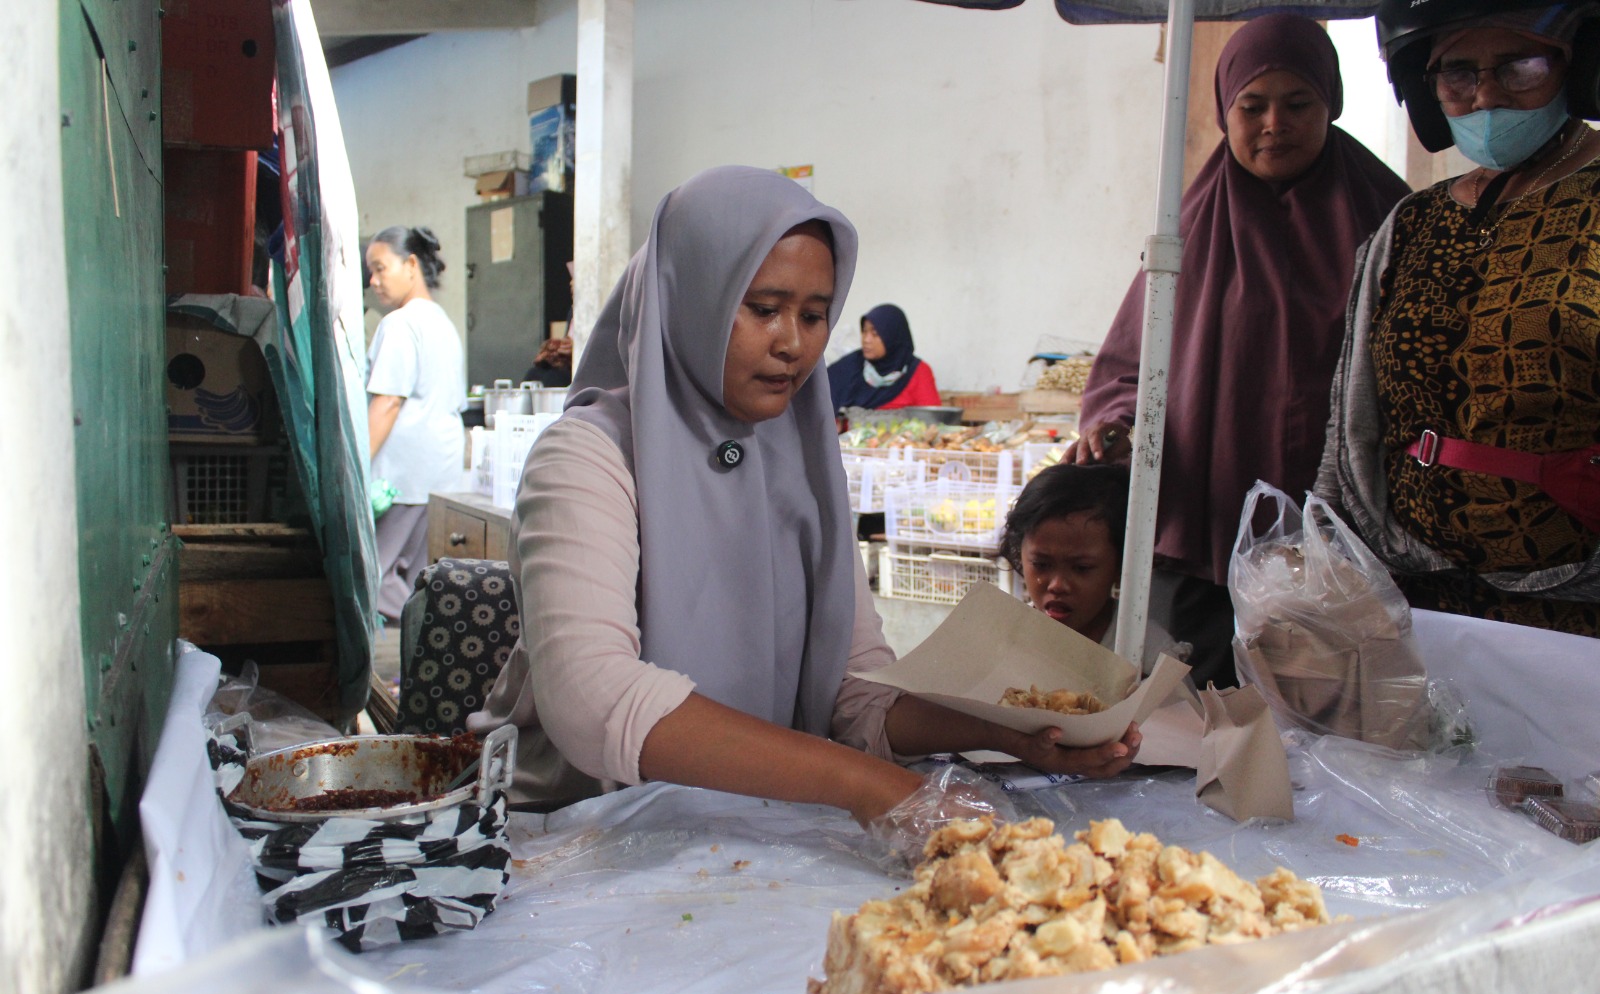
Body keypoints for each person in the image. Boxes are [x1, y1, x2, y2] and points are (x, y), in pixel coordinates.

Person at [467, 166, 1140, 828]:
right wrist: (872, 788)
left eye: (815, 315)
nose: (793, 343)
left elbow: (854, 692)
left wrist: (1011, 731)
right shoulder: (588, 458)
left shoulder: (803, 468)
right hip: (570, 835)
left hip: (740, 832)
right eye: (763, 309)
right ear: (690, 297)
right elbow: (594, 701)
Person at [1067, 14, 1413, 687]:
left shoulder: (1391, 215)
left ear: (1331, 104)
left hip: (1344, 543)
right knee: (1191, 726)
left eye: (1297, 104)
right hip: (1208, 532)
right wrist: (1114, 423)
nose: (1273, 125)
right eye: (1251, 107)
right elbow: (1132, 363)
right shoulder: (1185, 231)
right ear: (1228, 113)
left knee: (1334, 725)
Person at [1317, 0, 1600, 635]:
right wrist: (1326, 552)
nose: (1487, 94)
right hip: (1418, 603)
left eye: (1520, 65)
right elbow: (1353, 418)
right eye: (1459, 74)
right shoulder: (1409, 224)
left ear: (1575, 66)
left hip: (1576, 610)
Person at [364, 225, 467, 624]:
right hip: (437, 473)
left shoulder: (401, 324)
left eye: (379, 268)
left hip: (400, 479)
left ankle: (423, 638)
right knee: (413, 576)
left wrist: (358, 468)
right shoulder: (441, 322)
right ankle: (420, 661)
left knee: (374, 579)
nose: (373, 281)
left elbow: (388, 402)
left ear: (410, 264)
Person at [1000, 464, 1189, 676]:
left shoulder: (1148, 654)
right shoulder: (1004, 641)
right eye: (1041, 565)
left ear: (1121, 566)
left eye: (1081, 568)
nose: (1058, 585)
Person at [826, 304, 941, 412]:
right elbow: (822, 406)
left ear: (892, 337)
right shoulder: (849, 367)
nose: (866, 339)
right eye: (864, 332)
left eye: (875, 334)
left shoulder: (918, 372)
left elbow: (932, 421)